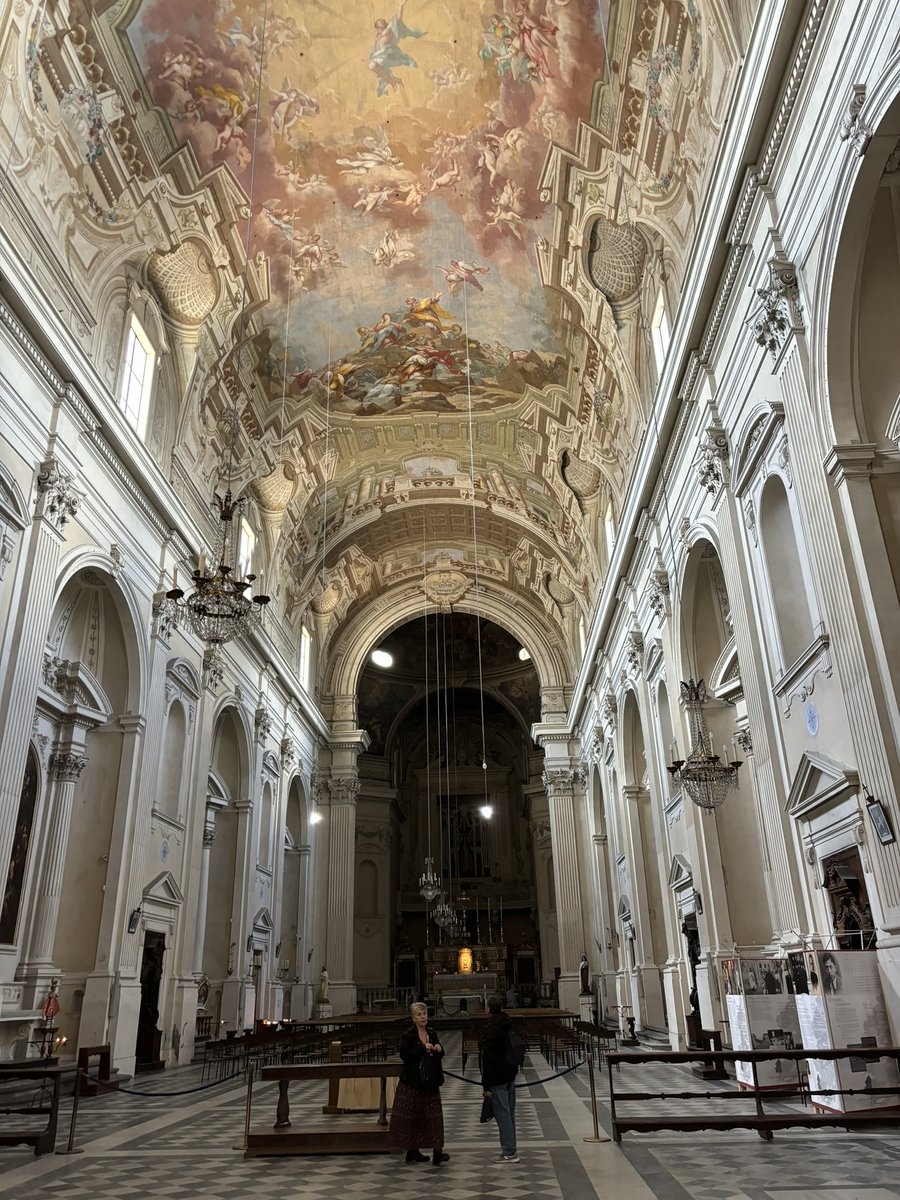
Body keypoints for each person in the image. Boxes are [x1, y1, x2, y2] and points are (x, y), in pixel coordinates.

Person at [390, 1001, 449, 1166]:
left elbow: (440, 1053)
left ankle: (438, 1152)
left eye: (424, 1014)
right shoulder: (408, 1036)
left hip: (430, 1081)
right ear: (413, 1018)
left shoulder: (431, 1032)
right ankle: (412, 1151)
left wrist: (438, 1049)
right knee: (412, 1117)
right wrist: (423, 1048)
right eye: (419, 1015)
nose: (423, 1017)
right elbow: (405, 1055)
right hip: (413, 1082)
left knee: (434, 1118)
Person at [480, 993, 519, 1163]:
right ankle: (511, 1149)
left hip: (497, 1078)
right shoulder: (507, 1023)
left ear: (488, 1009)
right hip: (509, 1074)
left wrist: (485, 1085)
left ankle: (509, 1152)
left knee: (503, 1115)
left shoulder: (490, 1030)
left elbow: (488, 1060)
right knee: (509, 1114)